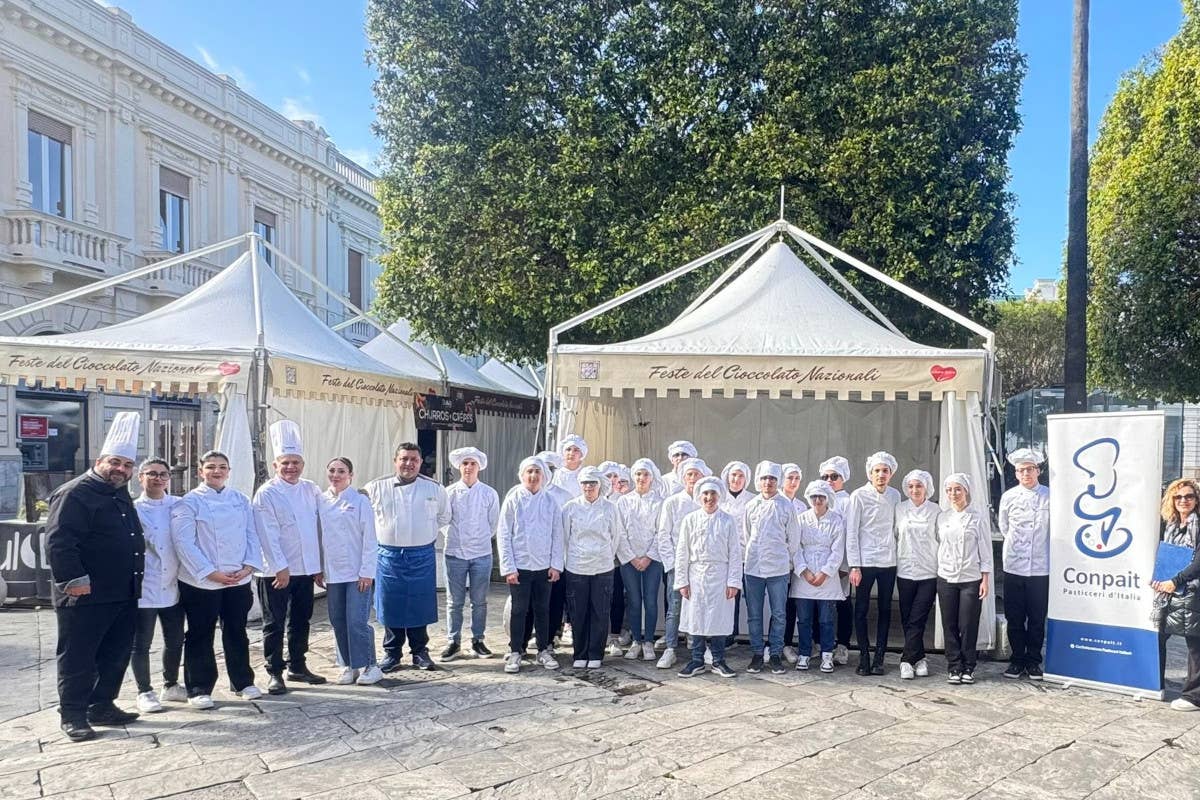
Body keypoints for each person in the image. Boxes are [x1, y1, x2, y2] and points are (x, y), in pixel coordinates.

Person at [46, 412, 146, 741]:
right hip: (86, 594)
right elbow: (60, 543)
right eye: (115, 462)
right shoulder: (74, 493)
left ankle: (102, 704)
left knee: (115, 653)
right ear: (100, 460)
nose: (121, 470)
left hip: (123, 591)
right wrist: (75, 581)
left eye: (127, 465)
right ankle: (73, 714)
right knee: (79, 656)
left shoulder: (119, 492)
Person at [171, 450, 264, 710]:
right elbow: (184, 543)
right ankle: (199, 687)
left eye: (222, 467)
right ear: (201, 471)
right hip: (202, 581)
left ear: (228, 471)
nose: (217, 471)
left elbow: (251, 534)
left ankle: (243, 682)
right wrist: (210, 572)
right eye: (211, 466)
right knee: (200, 633)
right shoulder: (189, 502)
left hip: (237, 579)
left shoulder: (240, 500)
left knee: (237, 631)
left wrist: (248, 567)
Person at [253, 421, 327, 695]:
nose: (291, 467)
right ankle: (274, 671)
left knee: (301, 619)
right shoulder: (267, 493)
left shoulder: (311, 489)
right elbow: (266, 534)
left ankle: (298, 665)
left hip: (305, 569)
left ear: (303, 464)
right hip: (275, 573)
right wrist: (279, 568)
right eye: (285, 463)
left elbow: (318, 529)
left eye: (295, 462)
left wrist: (318, 566)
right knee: (274, 622)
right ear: (275, 465)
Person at [366, 442, 450, 673]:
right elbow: (364, 518)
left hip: (421, 555)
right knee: (390, 604)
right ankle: (392, 653)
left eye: (414, 459)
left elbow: (444, 517)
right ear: (395, 461)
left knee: (419, 604)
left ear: (421, 462)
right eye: (404, 459)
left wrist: (424, 533)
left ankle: (420, 652)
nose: (408, 464)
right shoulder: (376, 487)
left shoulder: (434, 488)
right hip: (389, 555)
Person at [498, 457, 564, 673]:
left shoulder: (550, 501)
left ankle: (544, 650)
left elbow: (557, 535)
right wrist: (508, 567)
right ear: (522, 475)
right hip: (520, 567)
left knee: (542, 610)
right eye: (529, 472)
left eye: (537, 471)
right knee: (519, 610)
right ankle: (516, 650)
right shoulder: (513, 499)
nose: (533, 476)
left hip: (544, 567)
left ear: (543, 476)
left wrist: (556, 565)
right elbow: (504, 534)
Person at [131, 458, 185, 714]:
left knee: (175, 639)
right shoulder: (132, 509)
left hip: (174, 582)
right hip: (145, 585)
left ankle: (171, 684)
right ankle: (144, 690)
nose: (158, 478)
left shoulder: (178, 505)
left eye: (163, 474)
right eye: (151, 474)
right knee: (141, 642)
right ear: (140, 477)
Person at [323, 457, 382, 686]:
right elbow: (319, 537)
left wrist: (367, 571)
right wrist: (320, 569)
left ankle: (371, 665)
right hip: (333, 572)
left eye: (341, 471)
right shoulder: (322, 500)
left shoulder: (360, 501)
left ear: (351, 475)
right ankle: (348, 665)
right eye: (332, 470)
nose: (336, 475)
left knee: (356, 621)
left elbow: (370, 539)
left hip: (358, 573)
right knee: (338, 620)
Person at [675, 476, 742, 678]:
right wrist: (682, 581)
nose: (709, 497)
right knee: (696, 617)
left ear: (719, 496)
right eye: (705, 493)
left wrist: (733, 581)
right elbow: (682, 552)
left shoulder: (727, 520)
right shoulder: (690, 520)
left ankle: (718, 660)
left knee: (719, 618)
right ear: (699, 495)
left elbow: (735, 553)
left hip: (720, 575)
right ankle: (696, 660)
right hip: (696, 575)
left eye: (713, 493)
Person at [441, 447, 500, 661]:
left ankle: (478, 640)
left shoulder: (488, 493)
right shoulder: (448, 493)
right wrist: (456, 536)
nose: (468, 467)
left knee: (479, 601)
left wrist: (479, 538)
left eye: (472, 463)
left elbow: (493, 524)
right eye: (465, 463)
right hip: (455, 553)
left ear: (479, 467)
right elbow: (443, 520)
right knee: (454, 601)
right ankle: (453, 641)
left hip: (481, 554)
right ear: (459, 466)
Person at [846, 451, 902, 676]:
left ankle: (880, 656)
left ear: (891, 474)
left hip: (888, 561)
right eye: (877, 471)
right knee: (861, 609)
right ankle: (863, 655)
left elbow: (897, 528)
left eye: (885, 471)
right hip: (865, 561)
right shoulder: (858, 496)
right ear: (870, 473)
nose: (881, 475)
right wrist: (854, 565)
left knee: (885, 608)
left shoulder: (895, 495)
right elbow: (852, 532)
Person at [742, 461, 800, 674]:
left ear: (778, 481)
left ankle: (775, 653)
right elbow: (747, 535)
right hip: (753, 568)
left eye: (772, 479)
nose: (768, 482)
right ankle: (758, 653)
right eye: (765, 478)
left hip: (778, 567)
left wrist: (788, 561)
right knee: (754, 613)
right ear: (759, 480)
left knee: (779, 613)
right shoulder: (751, 505)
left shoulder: (786, 505)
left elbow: (793, 538)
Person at [998, 448, 1050, 680]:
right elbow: (1004, 527)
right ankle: (1017, 660)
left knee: (1037, 617)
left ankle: (1034, 661)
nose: (1025, 474)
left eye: (1029, 469)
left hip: (1041, 567)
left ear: (1038, 471)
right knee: (1015, 617)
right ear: (1016, 474)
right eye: (1021, 471)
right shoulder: (1008, 496)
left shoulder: (1050, 496)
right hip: (1014, 567)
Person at [936, 473, 992, 685]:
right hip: (946, 576)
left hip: (971, 577)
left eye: (958, 489)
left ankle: (969, 666)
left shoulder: (977, 518)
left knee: (968, 623)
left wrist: (985, 579)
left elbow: (985, 551)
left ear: (966, 491)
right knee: (949, 623)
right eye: (949, 490)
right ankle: (954, 666)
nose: (953, 494)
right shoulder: (942, 517)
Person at [562, 467, 621, 668]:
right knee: (578, 612)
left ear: (599, 485)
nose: (589, 487)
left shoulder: (610, 508)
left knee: (600, 610)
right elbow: (565, 538)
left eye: (593, 483)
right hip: (576, 566)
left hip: (602, 567)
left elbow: (616, 536)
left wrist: (603, 555)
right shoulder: (569, 508)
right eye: (585, 483)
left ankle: (596, 654)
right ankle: (580, 653)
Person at [654, 458, 710, 668]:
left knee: (700, 606)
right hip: (677, 566)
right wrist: (673, 564)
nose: (693, 479)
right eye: (690, 475)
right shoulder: (672, 502)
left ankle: (700, 646)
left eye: (697, 475)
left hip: (700, 567)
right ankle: (670, 648)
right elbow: (663, 536)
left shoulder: (707, 502)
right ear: (683, 477)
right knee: (675, 607)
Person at [1151, 478, 1200, 711]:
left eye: (1189, 496)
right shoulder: (1169, 524)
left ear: (1196, 499)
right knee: (1158, 636)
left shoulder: (1198, 524)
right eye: (1178, 497)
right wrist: (1160, 578)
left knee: (1195, 643)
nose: (1183, 500)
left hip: (1193, 590)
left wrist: (1176, 580)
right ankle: (1154, 683)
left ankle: (1194, 696)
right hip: (1167, 590)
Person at [791, 480, 846, 673]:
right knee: (804, 619)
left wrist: (825, 573)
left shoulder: (837, 520)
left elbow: (838, 550)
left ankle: (827, 655)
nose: (817, 500)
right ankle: (804, 654)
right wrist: (804, 571)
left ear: (828, 498)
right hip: (804, 576)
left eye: (821, 497)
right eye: (814, 497)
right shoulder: (800, 519)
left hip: (827, 578)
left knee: (826, 620)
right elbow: (795, 547)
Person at [616, 458, 666, 662]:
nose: (641, 478)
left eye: (645, 474)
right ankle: (636, 640)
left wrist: (648, 557)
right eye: (638, 474)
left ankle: (648, 642)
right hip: (629, 561)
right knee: (635, 601)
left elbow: (661, 532)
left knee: (651, 601)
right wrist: (631, 557)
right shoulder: (623, 502)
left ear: (652, 478)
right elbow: (619, 533)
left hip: (653, 560)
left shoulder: (660, 503)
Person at [895, 469, 940, 680]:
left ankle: (905, 660)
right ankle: (919, 658)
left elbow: (941, 540)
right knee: (907, 617)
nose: (914, 490)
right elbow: (895, 535)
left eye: (919, 486)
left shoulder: (936, 510)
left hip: (928, 572)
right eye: (911, 486)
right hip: (905, 570)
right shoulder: (900, 509)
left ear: (927, 488)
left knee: (918, 617)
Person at [818, 456, 854, 665]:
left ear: (843, 478)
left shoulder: (847, 502)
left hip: (840, 563)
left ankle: (843, 645)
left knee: (842, 603)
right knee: (821, 603)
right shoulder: (818, 497)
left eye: (834, 476)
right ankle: (821, 643)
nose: (829, 480)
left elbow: (849, 534)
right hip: (820, 564)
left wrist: (845, 566)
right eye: (825, 476)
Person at [720, 460, 754, 647]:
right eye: (733, 475)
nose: (736, 479)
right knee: (728, 596)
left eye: (741, 475)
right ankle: (728, 634)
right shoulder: (719, 497)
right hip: (724, 558)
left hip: (746, 557)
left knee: (751, 598)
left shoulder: (752, 500)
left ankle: (753, 637)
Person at [780, 463, 807, 664]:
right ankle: (776, 644)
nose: (793, 482)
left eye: (797, 478)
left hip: (796, 564)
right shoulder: (775, 501)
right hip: (778, 563)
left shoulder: (801, 507)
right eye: (790, 477)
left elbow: (800, 539)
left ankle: (787, 643)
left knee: (791, 606)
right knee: (778, 607)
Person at [552, 434, 588, 499]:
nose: (571, 453)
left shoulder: (586, 474)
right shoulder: (556, 475)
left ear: (581, 454)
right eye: (568, 449)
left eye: (576, 450)